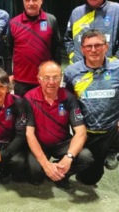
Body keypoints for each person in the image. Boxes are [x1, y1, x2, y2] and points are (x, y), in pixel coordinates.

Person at [63, 29, 119, 211]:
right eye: (89, 46)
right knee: (88, 179)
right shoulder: (71, 72)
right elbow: (66, 103)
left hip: (116, 127)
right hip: (90, 133)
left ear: (106, 47)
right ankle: (100, 160)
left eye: (98, 45)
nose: (94, 49)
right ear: (82, 49)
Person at [24, 61, 94, 191]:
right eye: (46, 77)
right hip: (40, 143)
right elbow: (29, 134)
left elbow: (81, 133)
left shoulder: (69, 98)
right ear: (39, 79)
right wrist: (45, 164)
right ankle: (52, 171)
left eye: (55, 77)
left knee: (86, 157)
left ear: (61, 78)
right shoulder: (29, 98)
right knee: (36, 175)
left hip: (62, 142)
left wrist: (68, 158)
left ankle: (61, 175)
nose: (51, 82)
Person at [6, 0, 62, 97]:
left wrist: (57, 72)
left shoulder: (51, 20)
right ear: (23, 1)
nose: (31, 3)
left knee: (43, 112)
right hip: (21, 81)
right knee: (23, 113)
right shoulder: (13, 23)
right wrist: (9, 73)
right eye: (27, 0)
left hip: (45, 79)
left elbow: (56, 49)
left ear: (41, 0)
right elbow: (8, 50)